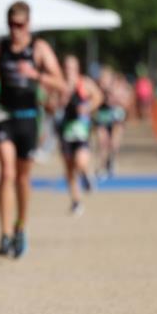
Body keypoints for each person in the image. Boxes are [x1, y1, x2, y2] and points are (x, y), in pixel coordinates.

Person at [0, 1, 65, 258]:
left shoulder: (39, 49)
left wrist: (36, 75)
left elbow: (61, 84)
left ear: (29, 24)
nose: (16, 30)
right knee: (6, 170)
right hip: (4, 114)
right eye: (12, 25)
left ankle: (20, 227)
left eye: (21, 25)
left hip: (28, 118)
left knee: (23, 178)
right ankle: (4, 234)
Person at [58, 55, 103, 215]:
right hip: (64, 131)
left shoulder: (84, 83)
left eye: (71, 67)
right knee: (69, 169)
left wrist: (88, 107)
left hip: (81, 131)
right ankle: (76, 201)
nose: (68, 70)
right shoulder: (60, 84)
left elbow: (98, 97)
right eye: (66, 67)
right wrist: (59, 101)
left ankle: (86, 174)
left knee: (80, 162)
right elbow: (50, 102)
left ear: (77, 68)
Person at [92, 66, 128, 180]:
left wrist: (113, 97)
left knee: (113, 143)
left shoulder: (118, 87)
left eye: (106, 78)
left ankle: (111, 161)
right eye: (102, 78)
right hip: (102, 119)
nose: (103, 81)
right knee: (102, 143)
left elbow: (126, 103)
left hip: (116, 119)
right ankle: (100, 167)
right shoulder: (96, 89)